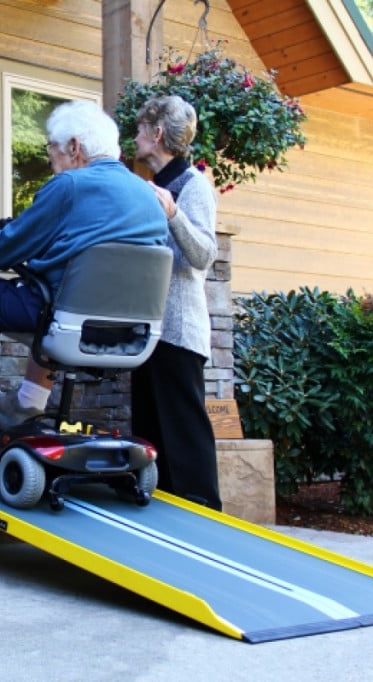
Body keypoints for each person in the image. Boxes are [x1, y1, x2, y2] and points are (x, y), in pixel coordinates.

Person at [0, 100, 169, 445]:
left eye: (51, 149)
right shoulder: (150, 197)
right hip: (128, 334)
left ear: (74, 148)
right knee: (55, 294)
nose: (49, 159)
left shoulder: (70, 186)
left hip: (58, 321)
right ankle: (26, 406)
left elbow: (0, 252)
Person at [130, 94, 222, 510]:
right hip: (148, 331)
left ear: (157, 133)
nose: (135, 137)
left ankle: (205, 525)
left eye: (139, 130)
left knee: (185, 445)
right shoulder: (154, 184)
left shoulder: (193, 185)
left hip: (179, 333)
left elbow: (202, 254)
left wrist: (173, 214)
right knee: (152, 442)